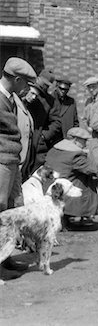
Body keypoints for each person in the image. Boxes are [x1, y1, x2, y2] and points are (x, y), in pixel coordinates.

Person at [0, 57, 37, 277]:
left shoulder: (10, 97)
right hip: (2, 161)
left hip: (12, 161)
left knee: (14, 209)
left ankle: (6, 257)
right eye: (26, 83)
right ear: (16, 79)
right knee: (1, 210)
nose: (27, 89)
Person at [22, 68, 62, 174]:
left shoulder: (51, 101)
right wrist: (25, 100)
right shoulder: (24, 90)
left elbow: (56, 122)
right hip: (21, 137)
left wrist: (43, 136)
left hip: (37, 143)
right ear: (38, 78)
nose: (44, 86)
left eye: (47, 85)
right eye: (43, 83)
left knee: (33, 173)